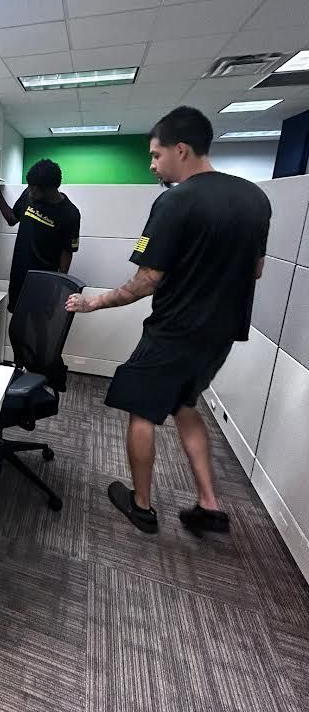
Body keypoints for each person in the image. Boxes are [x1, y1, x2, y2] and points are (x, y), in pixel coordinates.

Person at [65, 106, 271, 537]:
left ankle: (141, 507)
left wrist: (93, 303)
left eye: (157, 155)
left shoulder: (174, 201)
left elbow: (145, 281)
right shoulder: (256, 199)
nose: (153, 164)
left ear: (181, 149)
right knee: (184, 405)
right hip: (222, 333)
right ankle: (209, 505)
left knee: (142, 411)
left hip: (175, 330)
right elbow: (255, 271)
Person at [0, 158, 81, 314]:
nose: (30, 191)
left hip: (44, 282)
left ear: (51, 189)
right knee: (16, 324)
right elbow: (11, 219)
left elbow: (67, 252)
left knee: (39, 328)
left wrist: (58, 287)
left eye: (34, 188)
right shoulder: (29, 195)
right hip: (19, 276)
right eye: (29, 186)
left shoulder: (70, 214)